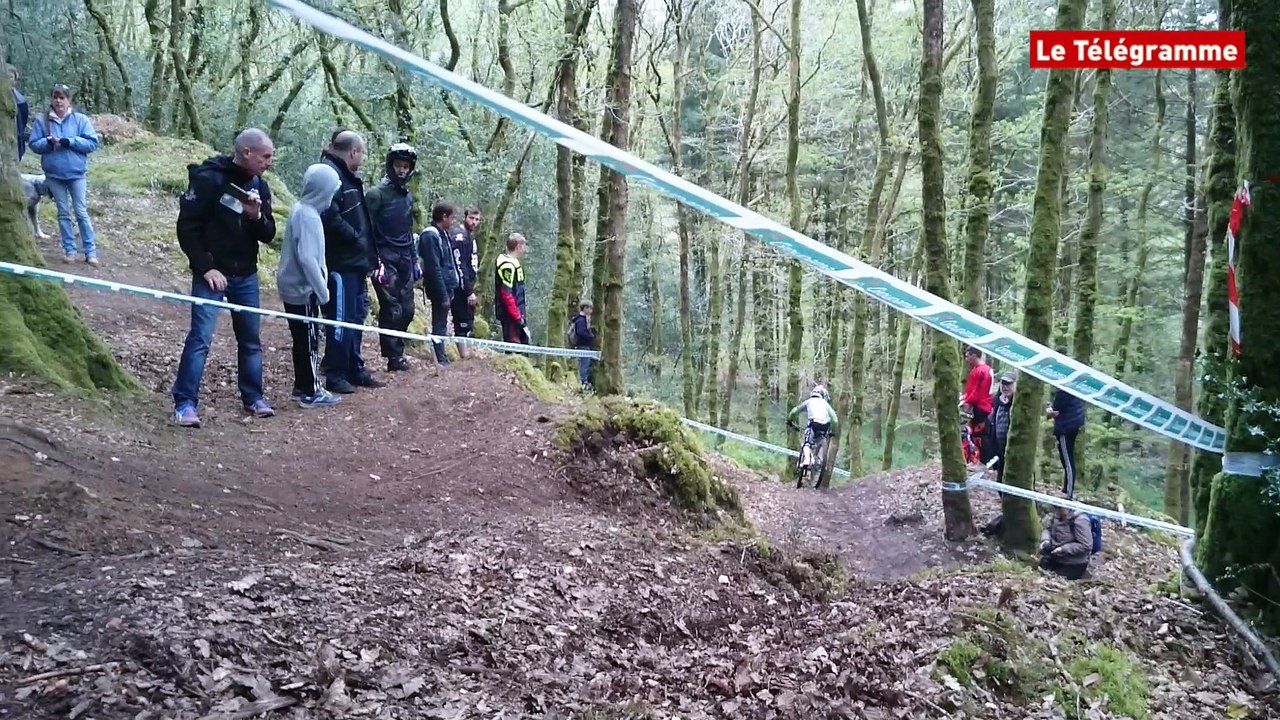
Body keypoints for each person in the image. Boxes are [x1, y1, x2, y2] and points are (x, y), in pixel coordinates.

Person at [170, 128, 278, 428]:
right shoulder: (209, 179)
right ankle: (184, 403)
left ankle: (253, 397)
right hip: (212, 274)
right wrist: (206, 267)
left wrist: (256, 215)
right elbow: (187, 228)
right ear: (246, 153)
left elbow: (268, 234)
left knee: (250, 339)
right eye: (265, 156)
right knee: (201, 338)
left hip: (246, 274)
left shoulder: (260, 185)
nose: (269, 162)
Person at [319, 130, 383, 394]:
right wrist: (356, 238)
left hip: (355, 263)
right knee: (341, 319)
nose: (363, 158)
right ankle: (335, 373)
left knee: (356, 317)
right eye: (363, 153)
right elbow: (329, 215)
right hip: (341, 262)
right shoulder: (330, 175)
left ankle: (354, 367)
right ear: (354, 152)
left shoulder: (346, 177)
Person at [277, 162, 342, 408]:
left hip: (296, 287)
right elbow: (307, 258)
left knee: (303, 338)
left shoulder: (301, 210)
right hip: (303, 290)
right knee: (308, 341)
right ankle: (310, 389)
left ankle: (302, 384)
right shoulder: (308, 217)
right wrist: (323, 292)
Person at [27, 84, 100, 266]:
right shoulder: (42, 121)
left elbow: (92, 143)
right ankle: (69, 250)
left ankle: (90, 252)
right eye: (55, 97)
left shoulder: (80, 120)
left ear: (69, 100)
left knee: (81, 212)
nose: (58, 101)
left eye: (62, 97)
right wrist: (48, 142)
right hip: (54, 175)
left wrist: (70, 142)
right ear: (51, 99)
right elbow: (34, 144)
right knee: (63, 213)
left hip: (77, 174)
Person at [365, 143, 420, 372]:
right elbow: (366, 230)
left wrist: (415, 260)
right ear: (391, 165)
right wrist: (374, 261)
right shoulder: (376, 194)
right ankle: (393, 357)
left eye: (405, 166)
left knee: (408, 309)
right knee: (392, 308)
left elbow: (408, 229)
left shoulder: (407, 197)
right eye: (398, 165)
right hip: (384, 258)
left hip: (405, 257)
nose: (402, 170)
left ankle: (398, 351)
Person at [418, 201, 462, 364]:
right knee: (439, 322)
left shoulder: (444, 234)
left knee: (442, 322)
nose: (454, 221)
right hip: (438, 287)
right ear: (444, 216)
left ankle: (441, 354)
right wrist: (443, 294)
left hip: (448, 285)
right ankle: (439, 356)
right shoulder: (431, 236)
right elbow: (434, 267)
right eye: (452, 217)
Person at [449, 206, 482, 359]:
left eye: (477, 219)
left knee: (468, 319)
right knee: (462, 319)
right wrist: (468, 291)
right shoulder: (459, 236)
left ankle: (467, 354)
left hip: (468, 283)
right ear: (465, 217)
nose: (474, 222)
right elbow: (460, 265)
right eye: (471, 218)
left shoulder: (469, 236)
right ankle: (464, 356)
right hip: (459, 287)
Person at [1046, 388, 1087, 498]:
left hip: (1066, 426)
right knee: (1068, 458)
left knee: (1067, 460)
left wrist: (1050, 410)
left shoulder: (1063, 390)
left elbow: (1056, 410)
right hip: (1073, 423)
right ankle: (1066, 489)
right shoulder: (1072, 387)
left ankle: (1068, 493)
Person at [786, 385, 839, 468]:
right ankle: (818, 460)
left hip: (813, 424)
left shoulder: (809, 401)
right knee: (820, 439)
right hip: (825, 426)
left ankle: (807, 460)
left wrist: (789, 420)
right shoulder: (826, 404)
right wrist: (833, 431)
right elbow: (835, 420)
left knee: (806, 443)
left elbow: (794, 412)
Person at [1039, 504, 1094, 580]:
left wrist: (1063, 549)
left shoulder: (1080, 520)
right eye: (1056, 509)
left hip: (1074, 562)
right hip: (1055, 556)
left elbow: (1086, 545)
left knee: (1056, 579)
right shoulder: (1053, 515)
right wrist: (1046, 540)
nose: (1057, 512)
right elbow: (1047, 529)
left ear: (1068, 507)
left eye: (1060, 509)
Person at [494, 233, 530, 345]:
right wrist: (516, 315)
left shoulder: (515, 263)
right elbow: (506, 293)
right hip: (510, 315)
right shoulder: (507, 265)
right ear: (518, 246)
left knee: (523, 343)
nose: (525, 249)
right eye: (524, 246)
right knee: (513, 344)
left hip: (518, 312)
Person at [983, 371, 1016, 481]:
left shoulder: (1018, 403)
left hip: (1012, 447)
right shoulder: (996, 400)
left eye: (1009, 384)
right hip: (998, 446)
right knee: (1000, 476)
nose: (1005, 387)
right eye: (1003, 383)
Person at [568, 300, 596, 388]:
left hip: (582, 345)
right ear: (585, 308)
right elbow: (581, 332)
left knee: (583, 364)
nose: (591, 311)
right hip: (583, 345)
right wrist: (591, 336)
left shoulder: (580, 319)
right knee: (584, 364)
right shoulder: (581, 320)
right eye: (589, 308)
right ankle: (583, 382)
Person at [9, 66, 29, 162]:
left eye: (10, 77)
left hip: (15, 139)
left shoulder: (20, 101)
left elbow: (23, 122)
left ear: (15, 81)